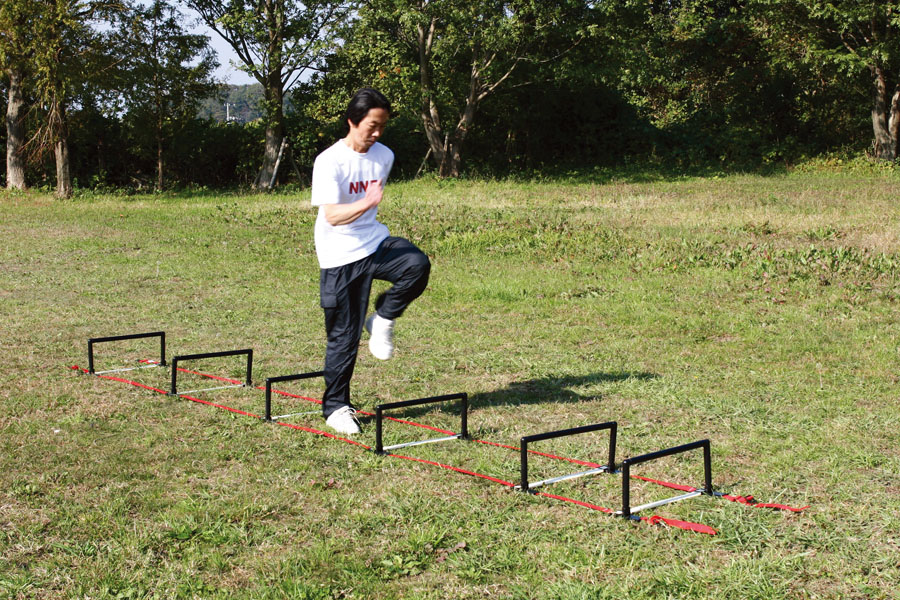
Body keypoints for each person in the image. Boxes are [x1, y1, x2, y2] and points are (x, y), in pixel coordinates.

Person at [311, 88, 431, 435]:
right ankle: (336, 409)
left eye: (382, 126)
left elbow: (368, 208)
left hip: (374, 242)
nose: (377, 133)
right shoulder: (329, 161)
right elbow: (333, 216)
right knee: (343, 337)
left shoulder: (384, 156)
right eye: (371, 126)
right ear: (352, 121)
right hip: (339, 255)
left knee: (416, 265)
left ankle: (382, 318)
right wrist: (367, 202)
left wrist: (368, 206)